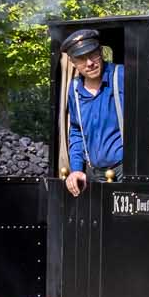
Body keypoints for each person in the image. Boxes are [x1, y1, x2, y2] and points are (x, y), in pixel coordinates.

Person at [58, 29, 125, 197]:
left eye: (93, 55)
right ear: (73, 62)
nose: (89, 63)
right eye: (81, 59)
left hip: (126, 171)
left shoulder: (122, 76)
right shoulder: (74, 89)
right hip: (94, 175)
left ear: (101, 52)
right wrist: (76, 170)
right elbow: (76, 131)